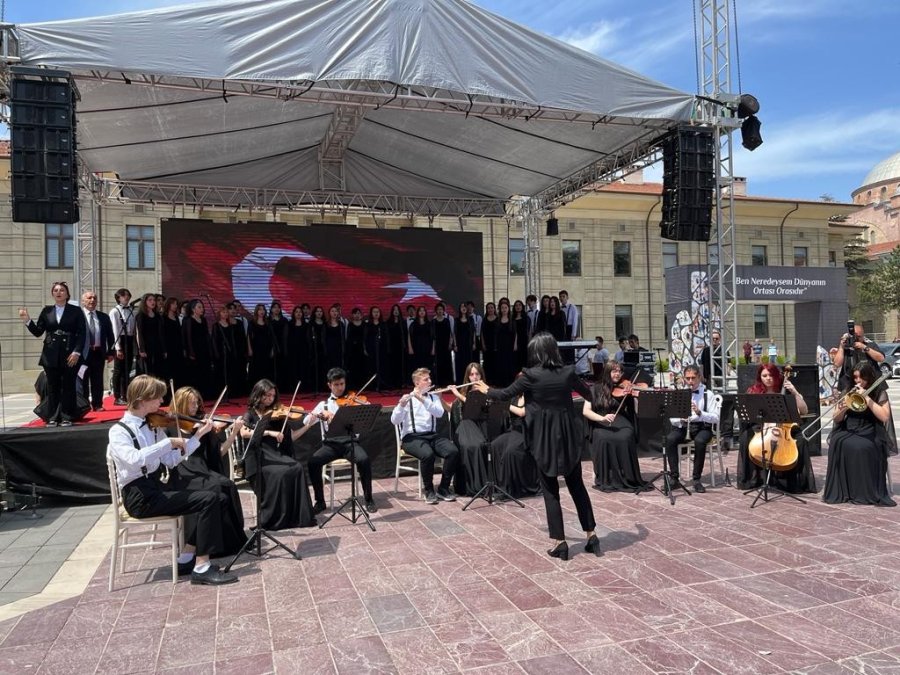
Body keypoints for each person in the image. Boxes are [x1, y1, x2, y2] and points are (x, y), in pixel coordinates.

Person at [474, 333, 600, 561]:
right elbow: (589, 393)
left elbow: (504, 395)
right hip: (569, 437)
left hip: (544, 439)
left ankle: (560, 542)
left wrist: (485, 389)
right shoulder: (568, 371)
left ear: (536, 352)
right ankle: (591, 535)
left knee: (551, 492)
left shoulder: (530, 376)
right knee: (577, 487)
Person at [107, 375, 237, 585]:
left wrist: (197, 437)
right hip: (139, 496)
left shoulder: (153, 427)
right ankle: (201, 567)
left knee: (219, 497)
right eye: (157, 398)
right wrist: (168, 442)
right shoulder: (118, 431)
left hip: (157, 488)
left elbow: (171, 461)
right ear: (142, 400)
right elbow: (134, 459)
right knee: (209, 499)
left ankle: (187, 557)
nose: (162, 403)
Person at [168, 386, 248, 560]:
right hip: (182, 474)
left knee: (227, 485)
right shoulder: (168, 427)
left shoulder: (203, 425)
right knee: (216, 487)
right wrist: (196, 434)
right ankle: (204, 545)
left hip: (202, 471)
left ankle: (228, 542)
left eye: (197, 403)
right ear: (180, 404)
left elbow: (219, 452)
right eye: (191, 403)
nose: (195, 407)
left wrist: (234, 432)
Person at [448, 363, 539, 498]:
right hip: (473, 429)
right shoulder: (513, 397)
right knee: (495, 446)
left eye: (477, 374)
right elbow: (454, 408)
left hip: (519, 431)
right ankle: (498, 485)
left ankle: (507, 487)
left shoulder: (530, 397)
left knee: (503, 448)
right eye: (471, 374)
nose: (474, 377)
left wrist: (496, 399)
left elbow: (519, 412)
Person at [240, 379, 317, 530]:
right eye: (267, 395)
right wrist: (268, 432)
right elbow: (244, 433)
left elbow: (292, 437)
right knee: (278, 474)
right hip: (258, 457)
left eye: (272, 396)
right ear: (258, 394)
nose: (270, 399)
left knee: (296, 468)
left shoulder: (279, 414)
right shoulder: (249, 414)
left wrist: (308, 425)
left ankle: (295, 516)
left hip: (275, 454)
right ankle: (272, 518)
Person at [301, 368, 377, 514]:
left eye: (342, 383)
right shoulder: (323, 404)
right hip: (331, 445)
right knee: (313, 462)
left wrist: (359, 402)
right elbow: (306, 421)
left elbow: (370, 410)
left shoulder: (353, 400)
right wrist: (319, 414)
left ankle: (368, 498)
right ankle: (320, 501)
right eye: (336, 384)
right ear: (329, 385)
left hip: (350, 443)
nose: (340, 387)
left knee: (364, 460)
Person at [823, 363, 896, 507]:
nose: (858, 381)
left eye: (862, 377)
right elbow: (837, 419)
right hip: (849, 427)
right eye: (855, 377)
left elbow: (884, 417)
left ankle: (863, 491)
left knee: (861, 446)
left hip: (870, 429)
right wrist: (842, 408)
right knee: (838, 441)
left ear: (869, 377)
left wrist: (867, 399)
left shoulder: (879, 392)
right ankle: (844, 490)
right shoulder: (848, 391)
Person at [735, 364, 816, 494]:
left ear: (777, 376)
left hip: (785, 427)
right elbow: (748, 412)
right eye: (764, 376)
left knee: (800, 442)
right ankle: (755, 479)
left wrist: (795, 392)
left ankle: (790, 482)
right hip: (762, 426)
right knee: (746, 437)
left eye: (771, 375)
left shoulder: (786, 390)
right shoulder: (754, 391)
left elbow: (804, 410)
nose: (768, 378)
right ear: (760, 377)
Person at [19, 281, 86, 427]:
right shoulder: (47, 311)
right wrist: (27, 321)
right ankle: (53, 417)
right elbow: (38, 332)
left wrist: (77, 352)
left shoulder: (75, 311)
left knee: (68, 385)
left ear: (67, 294)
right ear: (52, 294)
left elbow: (82, 334)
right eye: (55, 290)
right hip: (51, 354)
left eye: (62, 290)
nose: (58, 292)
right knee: (52, 386)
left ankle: (67, 416)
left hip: (70, 353)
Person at [391, 368, 460, 504]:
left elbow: (439, 413)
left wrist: (423, 399)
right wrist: (400, 406)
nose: (430, 381)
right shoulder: (408, 398)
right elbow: (394, 421)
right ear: (417, 383)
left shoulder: (433, 397)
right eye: (426, 379)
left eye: (429, 378)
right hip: (411, 438)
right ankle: (429, 491)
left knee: (453, 451)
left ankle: (443, 488)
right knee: (427, 455)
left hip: (431, 436)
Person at [583, 362, 648, 493]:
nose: (617, 374)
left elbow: (634, 410)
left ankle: (628, 476)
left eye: (620, 371)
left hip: (621, 419)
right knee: (603, 437)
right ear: (607, 373)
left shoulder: (624, 388)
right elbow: (586, 411)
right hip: (601, 420)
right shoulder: (595, 389)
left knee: (626, 435)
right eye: (614, 371)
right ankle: (605, 476)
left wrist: (633, 396)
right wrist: (602, 418)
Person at [663, 365, 720, 493]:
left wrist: (700, 413)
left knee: (700, 441)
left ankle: (696, 479)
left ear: (699, 377)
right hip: (684, 427)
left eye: (693, 378)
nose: (690, 381)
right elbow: (672, 418)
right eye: (687, 378)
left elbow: (716, 418)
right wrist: (680, 419)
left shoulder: (708, 394)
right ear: (684, 378)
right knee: (670, 439)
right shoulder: (679, 394)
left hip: (702, 427)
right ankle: (674, 478)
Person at [80, 290, 115, 411]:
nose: (92, 300)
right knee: (83, 380)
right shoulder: (78, 316)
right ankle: (84, 405)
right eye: (89, 298)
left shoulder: (103, 317)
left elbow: (111, 336)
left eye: (94, 298)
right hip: (83, 354)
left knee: (97, 380)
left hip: (98, 352)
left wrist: (111, 352)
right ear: (83, 301)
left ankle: (97, 404)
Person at [833, 322, 884, 390]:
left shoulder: (870, 344)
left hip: (870, 383)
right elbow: (836, 364)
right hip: (848, 383)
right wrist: (841, 346)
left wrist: (864, 347)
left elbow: (881, 358)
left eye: (859, 337)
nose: (856, 339)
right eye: (855, 336)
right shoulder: (846, 346)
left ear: (863, 336)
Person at [110, 288, 136, 406]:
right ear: (118, 297)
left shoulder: (131, 310)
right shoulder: (115, 311)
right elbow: (115, 330)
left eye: (128, 295)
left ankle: (125, 394)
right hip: (120, 340)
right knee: (118, 370)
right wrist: (118, 348)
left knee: (127, 369)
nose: (127, 297)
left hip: (129, 340)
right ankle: (117, 396)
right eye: (124, 295)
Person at [183, 299, 212, 398]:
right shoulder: (188, 320)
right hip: (194, 351)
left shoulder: (203, 320)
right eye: (199, 307)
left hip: (204, 349)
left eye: (202, 307)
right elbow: (188, 337)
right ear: (193, 309)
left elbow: (206, 335)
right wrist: (191, 352)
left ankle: (205, 393)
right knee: (195, 373)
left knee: (205, 371)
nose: (202, 309)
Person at [135, 293, 165, 379]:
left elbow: (161, 334)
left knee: (157, 370)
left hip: (157, 346)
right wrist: (141, 349)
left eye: (154, 300)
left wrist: (163, 349)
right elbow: (139, 333)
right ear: (145, 302)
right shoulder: (141, 316)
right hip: (146, 347)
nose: (153, 302)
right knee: (147, 371)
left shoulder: (158, 316)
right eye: (150, 300)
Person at [431, 303, 455, 387]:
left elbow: (450, 333)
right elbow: (432, 335)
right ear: (436, 311)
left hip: (446, 345)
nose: (439, 311)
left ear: (443, 310)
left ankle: (447, 381)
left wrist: (450, 343)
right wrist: (433, 347)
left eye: (441, 309)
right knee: (438, 363)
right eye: (438, 309)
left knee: (447, 362)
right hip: (437, 345)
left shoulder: (447, 320)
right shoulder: (433, 321)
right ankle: (438, 381)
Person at [453, 302, 476, 384]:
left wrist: (474, 343)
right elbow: (454, 333)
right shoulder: (456, 320)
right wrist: (455, 345)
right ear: (459, 309)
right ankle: (460, 381)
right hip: (459, 344)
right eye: (461, 306)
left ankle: (469, 381)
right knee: (459, 363)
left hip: (468, 344)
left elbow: (473, 332)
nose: (463, 308)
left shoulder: (471, 319)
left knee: (468, 362)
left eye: (465, 307)